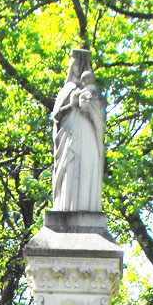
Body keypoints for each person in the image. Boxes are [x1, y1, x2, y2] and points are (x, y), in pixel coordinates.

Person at [52, 49, 106, 213]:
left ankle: (86, 205)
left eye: (81, 65)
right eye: (75, 65)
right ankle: (67, 207)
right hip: (70, 134)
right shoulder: (66, 90)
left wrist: (91, 105)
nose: (78, 68)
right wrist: (72, 104)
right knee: (70, 169)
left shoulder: (93, 92)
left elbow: (100, 114)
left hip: (88, 133)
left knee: (87, 165)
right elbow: (57, 116)